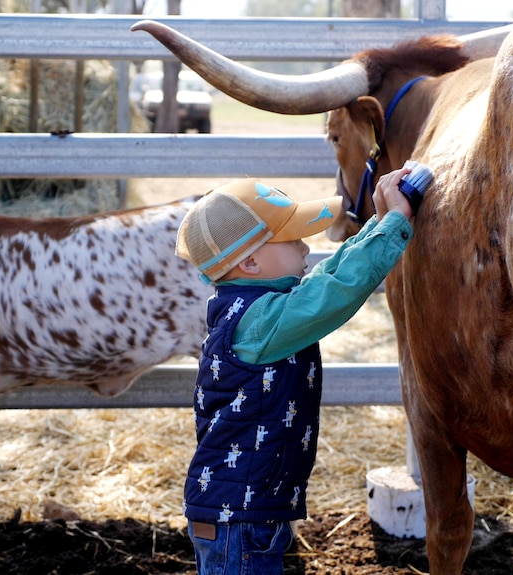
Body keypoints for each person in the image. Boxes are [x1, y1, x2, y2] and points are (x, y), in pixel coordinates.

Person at [174, 167, 416, 575]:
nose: (306, 247)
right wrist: (395, 226)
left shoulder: (252, 310)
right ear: (250, 262)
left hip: (245, 513)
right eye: (292, 239)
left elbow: (325, 277)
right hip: (240, 522)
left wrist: (378, 225)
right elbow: (333, 293)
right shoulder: (259, 322)